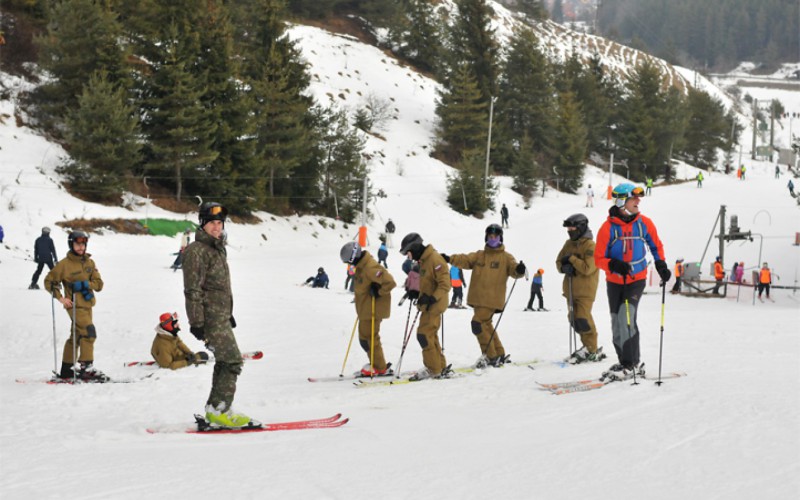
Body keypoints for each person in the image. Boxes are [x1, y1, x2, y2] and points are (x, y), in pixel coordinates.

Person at [183, 202, 251, 428]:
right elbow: (193, 289)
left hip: (220, 315)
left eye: (220, 223)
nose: (216, 227)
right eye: (212, 223)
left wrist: (227, 313)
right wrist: (197, 322)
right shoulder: (197, 251)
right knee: (233, 361)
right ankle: (220, 409)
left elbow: (218, 287)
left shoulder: (216, 248)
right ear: (203, 224)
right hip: (209, 318)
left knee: (224, 362)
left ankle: (216, 409)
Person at [594, 183, 669, 381]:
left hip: (636, 280)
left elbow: (656, 245)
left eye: (638, 198)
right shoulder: (607, 229)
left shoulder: (644, 223)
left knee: (626, 318)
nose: (638, 201)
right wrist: (614, 264)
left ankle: (632, 363)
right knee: (616, 322)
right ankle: (624, 361)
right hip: (615, 281)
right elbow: (598, 258)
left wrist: (661, 265)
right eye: (633, 198)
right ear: (621, 201)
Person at [443, 224, 526, 368]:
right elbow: (465, 259)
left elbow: (514, 270)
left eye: (495, 236)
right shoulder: (479, 255)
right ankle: (498, 353)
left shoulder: (506, 257)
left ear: (500, 238)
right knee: (486, 324)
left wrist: (519, 269)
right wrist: (449, 258)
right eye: (490, 236)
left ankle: (490, 356)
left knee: (477, 324)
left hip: (492, 299)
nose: (492, 239)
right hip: (478, 299)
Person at [44, 230, 106, 381]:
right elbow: (49, 282)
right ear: (71, 244)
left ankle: (67, 369)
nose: (80, 247)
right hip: (74, 306)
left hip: (87, 305)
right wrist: (61, 298)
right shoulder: (64, 265)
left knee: (76, 337)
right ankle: (86, 368)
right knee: (89, 332)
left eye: (83, 244)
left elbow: (99, 284)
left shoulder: (90, 263)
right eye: (77, 244)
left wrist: (85, 284)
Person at [399, 233, 452, 380]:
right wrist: (417, 293)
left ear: (414, 248)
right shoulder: (424, 261)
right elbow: (427, 282)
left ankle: (432, 369)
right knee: (430, 335)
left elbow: (445, 284)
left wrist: (431, 298)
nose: (408, 257)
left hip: (435, 304)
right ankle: (439, 366)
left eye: (408, 253)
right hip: (429, 304)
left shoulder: (435, 259)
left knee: (423, 335)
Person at [340, 241, 397, 376]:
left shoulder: (370, 267)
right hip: (365, 309)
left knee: (371, 338)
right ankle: (376, 364)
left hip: (373, 309)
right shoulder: (361, 266)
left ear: (354, 257)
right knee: (364, 339)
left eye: (349, 261)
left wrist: (378, 291)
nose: (349, 264)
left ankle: (380, 367)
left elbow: (390, 283)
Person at [556, 213, 604, 364]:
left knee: (583, 319)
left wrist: (571, 259)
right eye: (568, 228)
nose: (569, 231)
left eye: (572, 228)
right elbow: (558, 262)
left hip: (585, 291)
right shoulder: (568, 244)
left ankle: (592, 349)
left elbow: (588, 268)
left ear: (581, 227)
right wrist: (564, 267)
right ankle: (586, 347)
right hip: (570, 290)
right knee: (573, 320)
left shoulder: (591, 246)